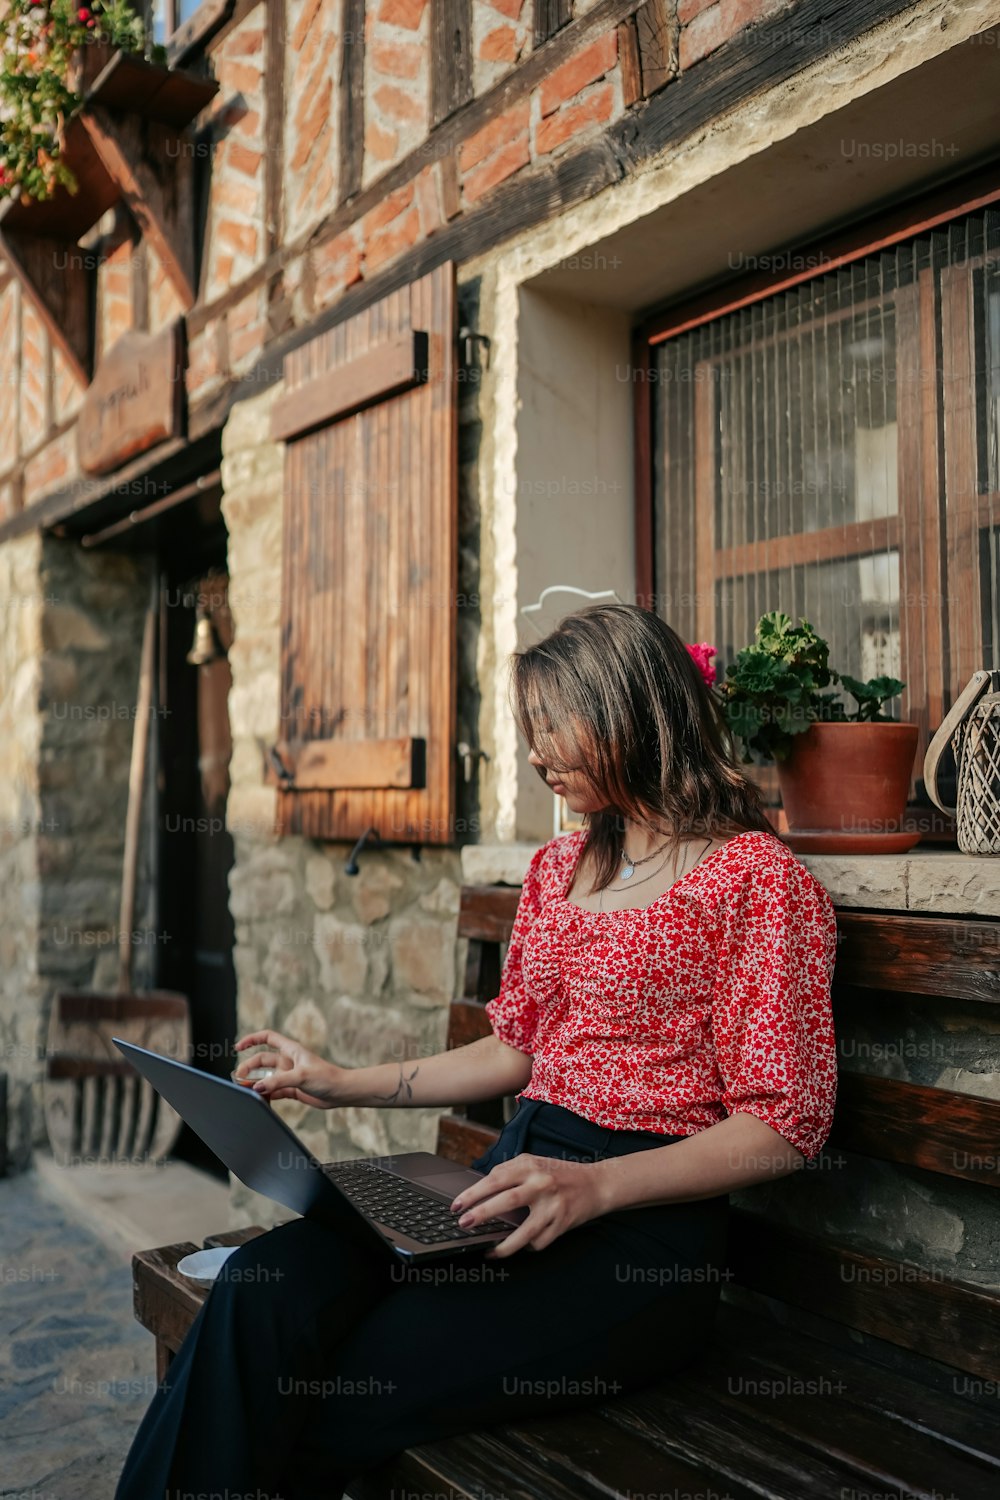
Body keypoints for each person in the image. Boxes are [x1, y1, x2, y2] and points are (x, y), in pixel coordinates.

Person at [114, 602, 838, 1500]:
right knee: (262, 1286)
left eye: (552, 727)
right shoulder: (560, 868)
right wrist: (340, 1085)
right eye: (528, 731)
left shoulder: (758, 884)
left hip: (642, 1230)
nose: (537, 754)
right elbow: (511, 1054)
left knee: (336, 1391)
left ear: (632, 710)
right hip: (508, 1181)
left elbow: (785, 1124)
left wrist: (600, 1185)